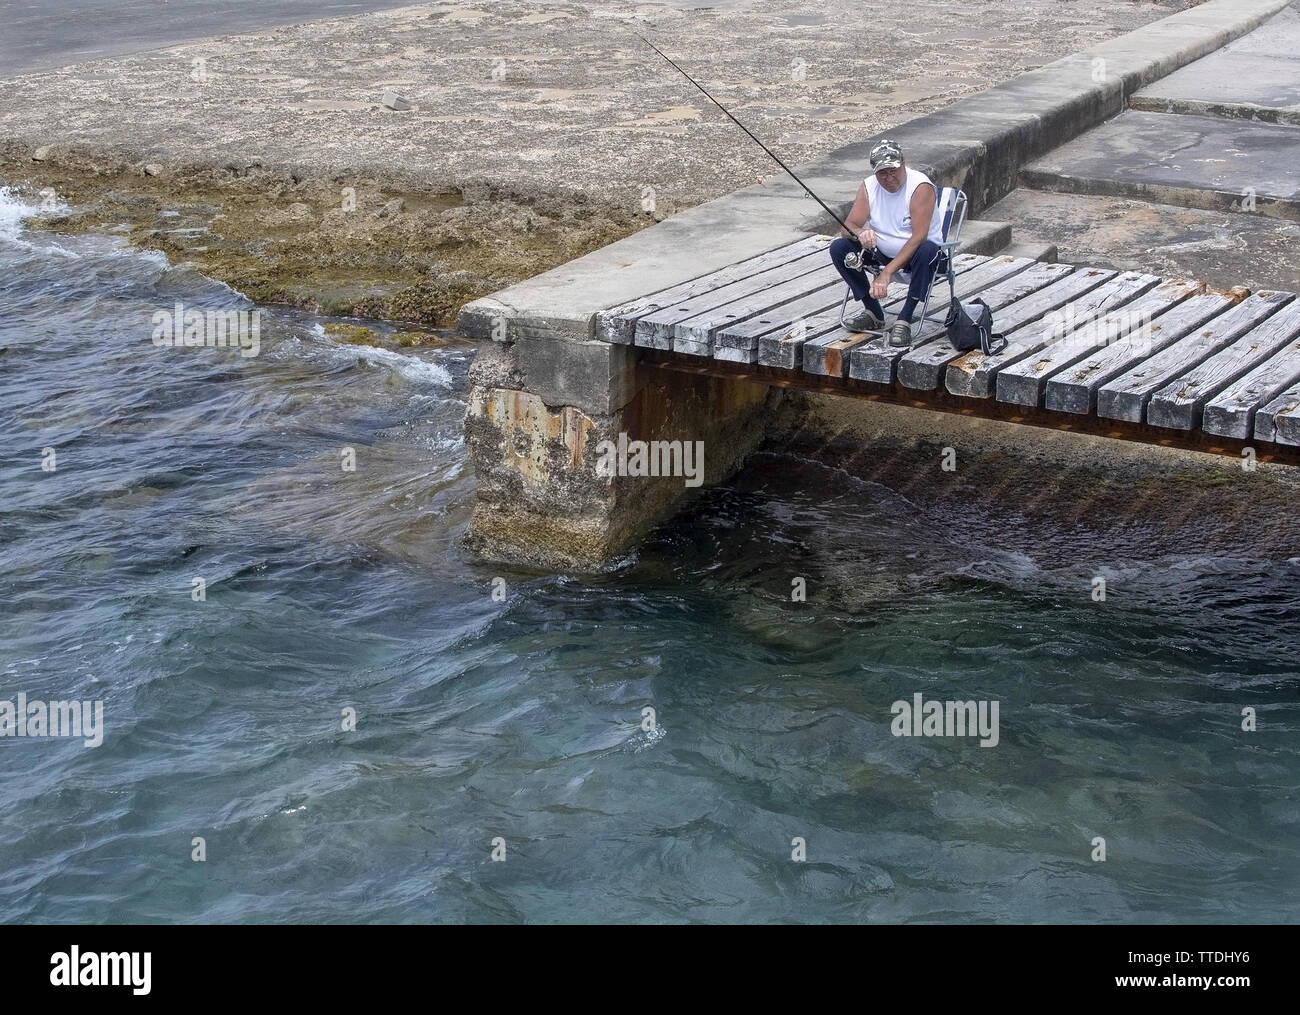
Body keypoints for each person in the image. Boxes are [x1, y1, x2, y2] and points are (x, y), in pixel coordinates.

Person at [829, 139, 945, 347]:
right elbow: (848, 225)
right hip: (881, 252)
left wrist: (887, 273)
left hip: (921, 256)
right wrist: (860, 232)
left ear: (903, 163)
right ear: (874, 172)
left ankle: (905, 318)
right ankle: (873, 310)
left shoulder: (920, 186)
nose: (889, 178)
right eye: (883, 173)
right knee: (839, 247)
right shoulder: (868, 186)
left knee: (927, 248)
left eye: (893, 170)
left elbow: (919, 236)